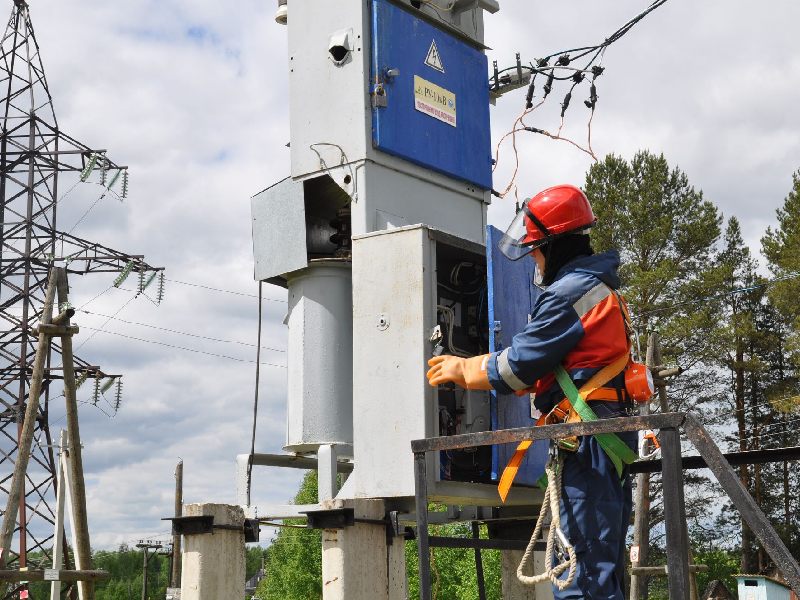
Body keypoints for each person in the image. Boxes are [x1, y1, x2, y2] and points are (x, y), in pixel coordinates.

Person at [427, 184, 638, 600]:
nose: (535, 260)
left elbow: (517, 368)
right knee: (601, 568)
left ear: (555, 244)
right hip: (603, 440)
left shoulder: (569, 293)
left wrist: (462, 367)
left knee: (582, 576)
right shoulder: (599, 286)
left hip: (589, 446)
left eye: (537, 250)